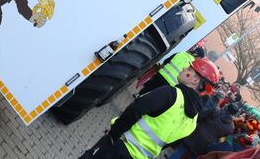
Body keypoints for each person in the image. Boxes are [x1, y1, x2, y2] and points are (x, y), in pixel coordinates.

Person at [81, 58, 220, 159]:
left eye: (189, 69)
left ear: (195, 80)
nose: (184, 69)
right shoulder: (192, 122)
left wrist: (113, 134)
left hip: (118, 145)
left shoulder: (171, 94)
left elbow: (136, 109)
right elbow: (166, 144)